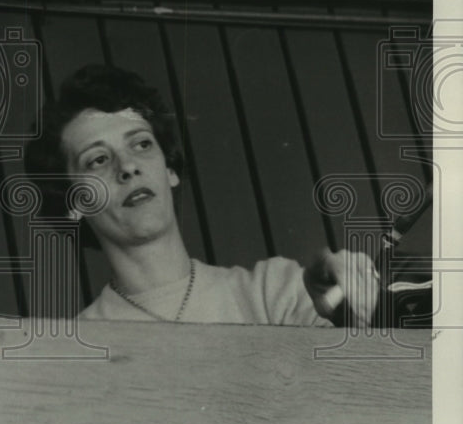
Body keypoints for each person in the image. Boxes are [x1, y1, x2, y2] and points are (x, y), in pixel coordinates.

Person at [23, 64, 379, 325]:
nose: (128, 166)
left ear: (170, 170)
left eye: (142, 144)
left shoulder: (274, 292)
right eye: (98, 159)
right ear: (73, 204)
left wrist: (357, 317)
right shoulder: (81, 346)